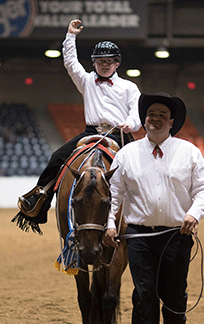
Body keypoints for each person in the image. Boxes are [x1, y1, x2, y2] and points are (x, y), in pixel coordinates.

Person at [103, 92, 204, 324]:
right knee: (144, 296)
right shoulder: (126, 154)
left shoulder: (189, 152)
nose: (155, 118)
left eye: (162, 115)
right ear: (144, 119)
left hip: (177, 235)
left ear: (172, 121)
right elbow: (114, 194)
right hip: (139, 237)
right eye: (151, 114)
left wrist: (194, 214)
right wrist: (109, 224)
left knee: (175, 295)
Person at [13, 19, 141, 233]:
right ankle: (38, 198)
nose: (105, 64)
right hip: (91, 132)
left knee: (139, 169)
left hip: (120, 133)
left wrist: (131, 123)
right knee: (57, 157)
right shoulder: (87, 81)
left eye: (110, 61)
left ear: (117, 63)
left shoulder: (129, 87)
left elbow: (136, 111)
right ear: (93, 63)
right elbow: (71, 62)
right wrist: (70, 36)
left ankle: (142, 216)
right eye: (101, 61)